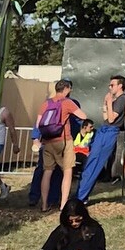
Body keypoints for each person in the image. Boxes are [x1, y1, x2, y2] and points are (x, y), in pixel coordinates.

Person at [32, 78, 82, 212]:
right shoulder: (70, 102)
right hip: (63, 140)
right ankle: (61, 203)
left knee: (45, 171)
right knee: (65, 171)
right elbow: (81, 117)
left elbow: (38, 123)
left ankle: (39, 201)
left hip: (47, 141)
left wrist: (35, 138)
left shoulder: (46, 103)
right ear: (67, 89)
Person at [76, 76, 125, 203]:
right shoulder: (116, 100)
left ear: (120, 86)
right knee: (91, 162)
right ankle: (80, 194)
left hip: (110, 132)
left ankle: (81, 197)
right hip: (104, 130)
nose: (110, 87)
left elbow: (111, 119)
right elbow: (106, 118)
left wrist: (109, 102)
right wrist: (105, 104)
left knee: (95, 164)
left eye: (112, 85)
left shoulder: (122, 99)